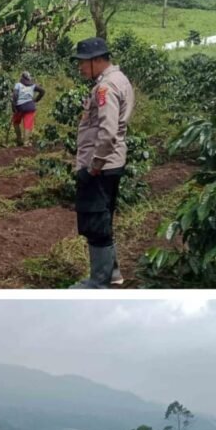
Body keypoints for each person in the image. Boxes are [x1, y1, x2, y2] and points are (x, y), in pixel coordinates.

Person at [71, 37, 134, 288]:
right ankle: (113, 273)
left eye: (83, 63)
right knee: (104, 218)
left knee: (95, 221)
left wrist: (93, 167)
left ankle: (99, 282)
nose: (80, 68)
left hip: (102, 167)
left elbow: (107, 132)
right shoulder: (120, 80)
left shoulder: (106, 87)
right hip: (111, 163)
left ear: (98, 60)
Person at [11, 71, 45, 146]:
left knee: (16, 122)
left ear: (22, 77)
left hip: (19, 107)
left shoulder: (18, 85)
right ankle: (26, 142)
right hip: (30, 106)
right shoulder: (32, 85)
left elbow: (15, 95)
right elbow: (42, 91)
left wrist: (13, 106)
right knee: (28, 125)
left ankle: (19, 139)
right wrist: (36, 99)